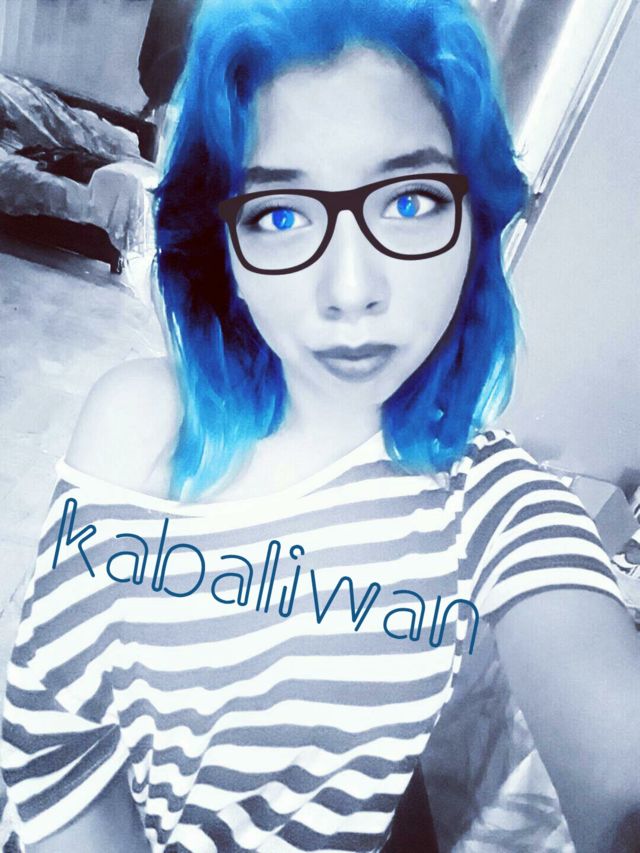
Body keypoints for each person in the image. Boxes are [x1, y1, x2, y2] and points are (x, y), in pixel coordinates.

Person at [2, 1, 639, 851]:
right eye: (280, 214)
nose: (350, 289)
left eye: (409, 200)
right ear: (224, 245)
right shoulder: (141, 420)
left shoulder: (493, 504)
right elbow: (50, 741)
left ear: (476, 219)